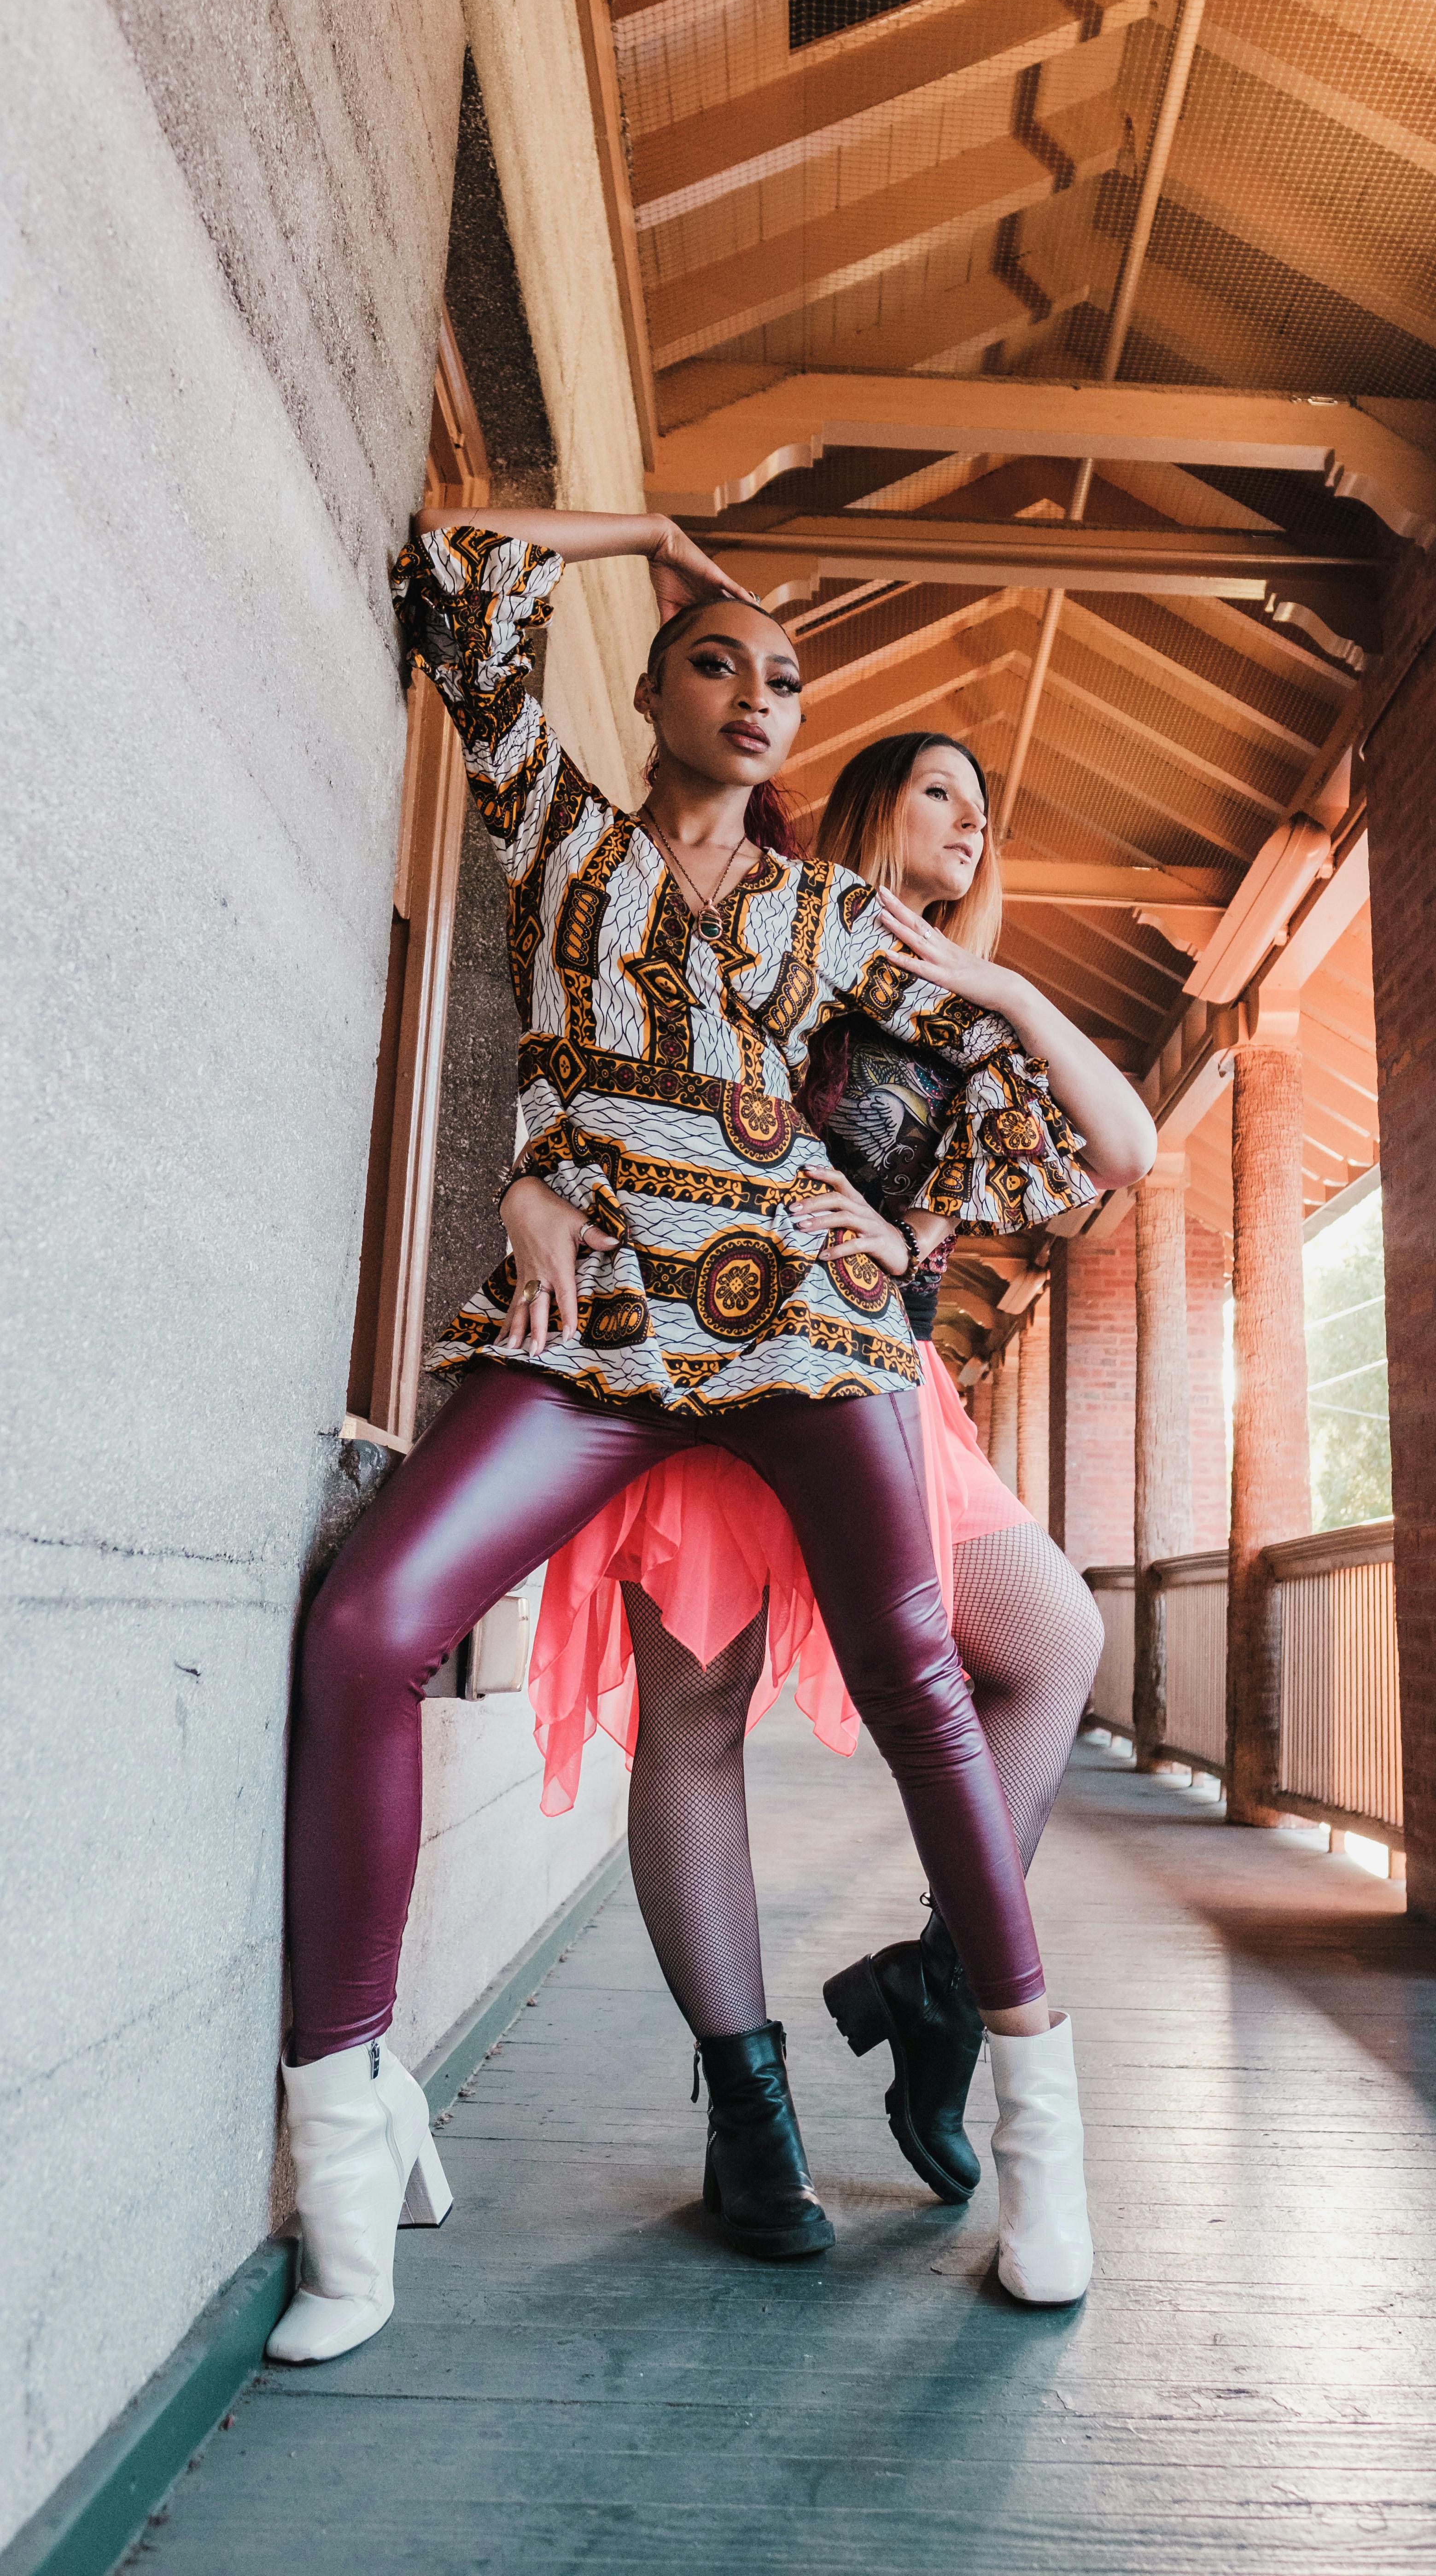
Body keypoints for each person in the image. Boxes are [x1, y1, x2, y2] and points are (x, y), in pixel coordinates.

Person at [270, 512, 1100, 2369]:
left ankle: (1046, 2134)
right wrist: (644, 531)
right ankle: (344, 2138)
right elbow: (463, 562)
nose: (755, 693)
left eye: (785, 679)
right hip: (593, 1332)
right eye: (715, 660)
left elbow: (1050, 1141)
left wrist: (893, 1212)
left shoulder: (830, 920)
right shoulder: (556, 828)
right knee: (362, 1631)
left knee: (915, 1668)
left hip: (800, 1340)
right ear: (645, 690)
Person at [529, 730, 1156, 2214]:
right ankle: (749, 2110)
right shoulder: (763, 912)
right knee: (694, 1711)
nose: (972, 820)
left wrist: (996, 988)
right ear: (874, 801)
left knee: (1058, 1634)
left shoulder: (970, 1022)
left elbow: (1122, 1144)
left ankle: (942, 1985)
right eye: (942, 788)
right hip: (706, 1353)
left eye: (987, 809)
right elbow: (617, 1041)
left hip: (880, 1385)